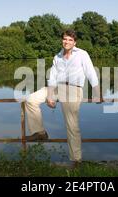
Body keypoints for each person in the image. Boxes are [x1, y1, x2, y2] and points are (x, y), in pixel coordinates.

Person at [25, 29, 100, 167]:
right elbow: (52, 78)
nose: (67, 42)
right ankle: (40, 132)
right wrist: (49, 96)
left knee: (72, 125)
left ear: (74, 42)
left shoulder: (82, 54)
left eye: (70, 40)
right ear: (62, 40)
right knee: (30, 99)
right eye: (65, 39)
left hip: (73, 89)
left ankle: (76, 160)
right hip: (57, 88)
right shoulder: (57, 57)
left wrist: (97, 92)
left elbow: (91, 73)